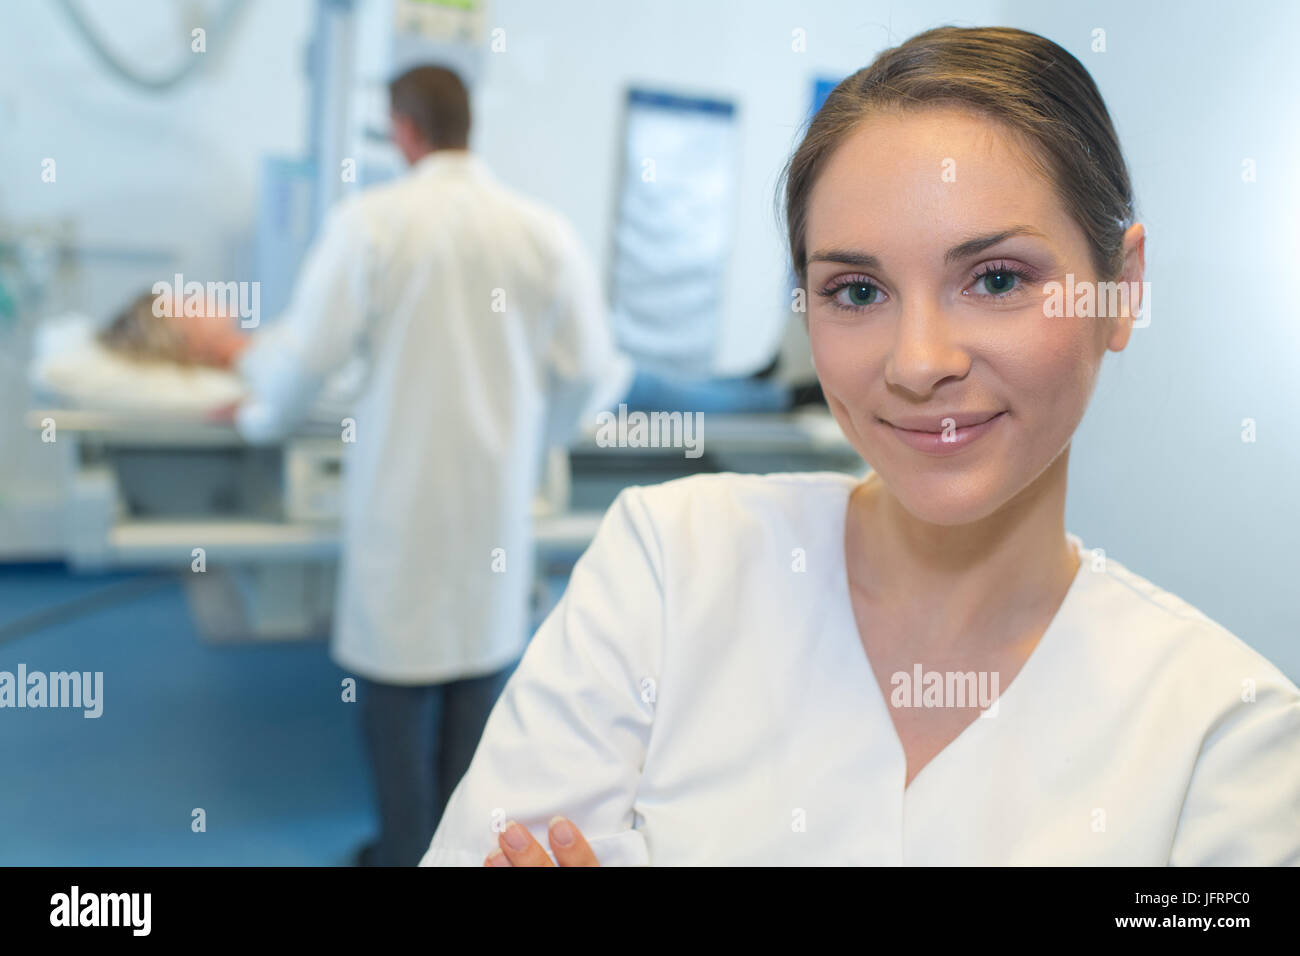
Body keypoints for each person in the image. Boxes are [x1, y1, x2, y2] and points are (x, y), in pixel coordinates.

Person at [419, 26, 1300, 866]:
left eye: (995, 279)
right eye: (856, 291)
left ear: (1122, 290)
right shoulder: (670, 567)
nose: (919, 364)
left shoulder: (1227, 740)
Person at [201, 65, 627, 866]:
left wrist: (260, 415)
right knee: (476, 699)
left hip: (401, 509)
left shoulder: (375, 224)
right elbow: (594, 372)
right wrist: (538, 447)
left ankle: (401, 852)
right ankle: (450, 851)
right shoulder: (539, 232)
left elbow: (302, 358)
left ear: (402, 128)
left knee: (393, 705)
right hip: (494, 514)